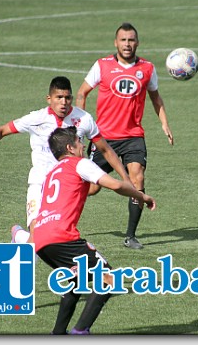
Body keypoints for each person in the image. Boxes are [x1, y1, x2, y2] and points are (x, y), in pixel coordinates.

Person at [0, 76, 131, 242]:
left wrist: (126, 179)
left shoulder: (84, 119)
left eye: (67, 98)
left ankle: (20, 236)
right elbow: (2, 131)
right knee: (37, 237)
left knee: (51, 238)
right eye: (59, 98)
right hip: (39, 182)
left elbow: (106, 150)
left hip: (65, 189)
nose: (64, 102)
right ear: (49, 99)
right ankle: (23, 240)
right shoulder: (36, 119)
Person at [32, 126, 156, 335]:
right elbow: (115, 185)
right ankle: (80, 331)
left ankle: (58, 333)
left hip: (41, 240)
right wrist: (141, 195)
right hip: (62, 236)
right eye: (80, 142)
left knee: (76, 282)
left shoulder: (51, 173)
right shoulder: (80, 164)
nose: (83, 145)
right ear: (71, 148)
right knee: (109, 278)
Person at [76, 22, 174, 249]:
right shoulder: (102, 65)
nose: (127, 44)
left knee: (137, 178)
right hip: (104, 137)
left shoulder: (147, 68)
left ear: (137, 43)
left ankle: (130, 236)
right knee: (91, 187)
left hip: (133, 136)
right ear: (116, 42)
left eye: (131, 40)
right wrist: (81, 125)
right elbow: (82, 92)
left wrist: (165, 124)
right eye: (123, 40)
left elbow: (155, 98)